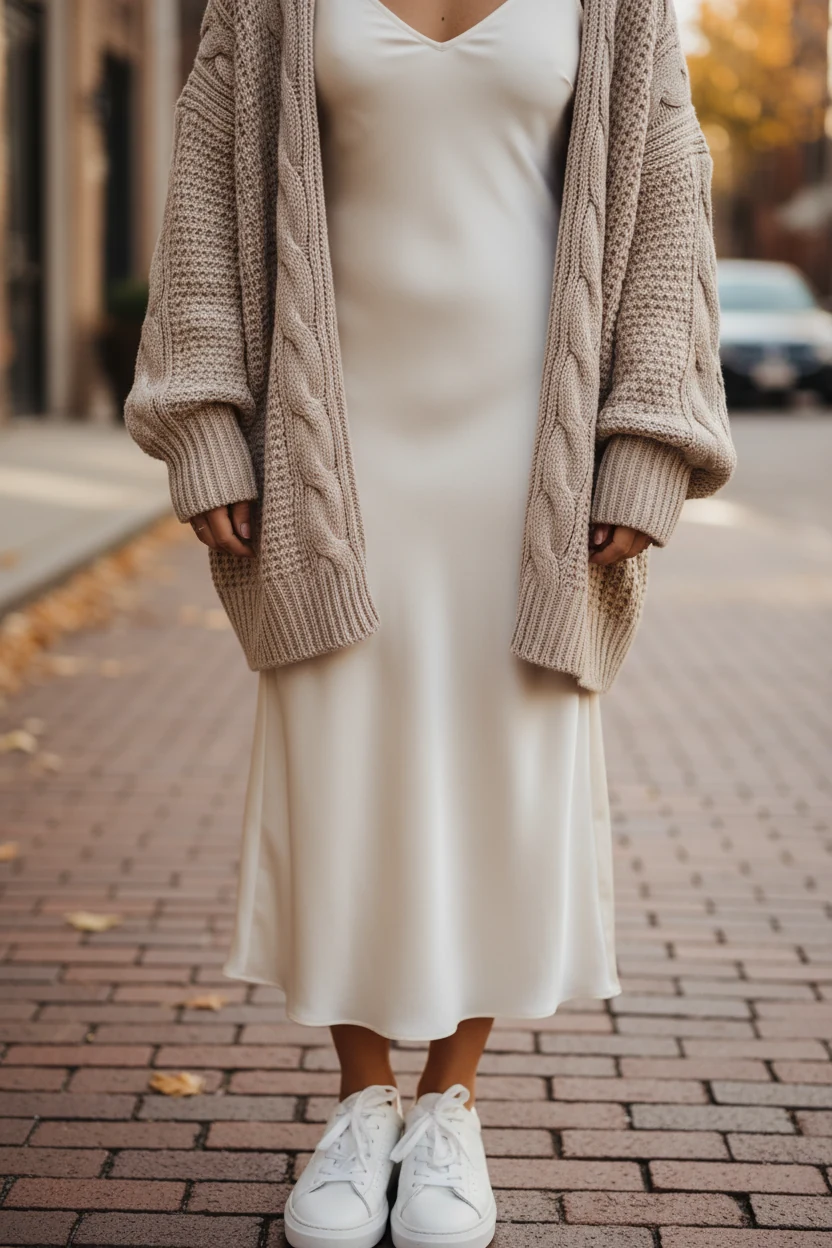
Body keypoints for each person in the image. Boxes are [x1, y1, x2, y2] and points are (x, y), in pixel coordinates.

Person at [126, 0, 736, 1245]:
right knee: (339, 748)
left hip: (532, 446)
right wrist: (205, 422)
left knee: (507, 756)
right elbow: (203, 198)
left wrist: (636, 447)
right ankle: (360, 1108)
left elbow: (671, 218)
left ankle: (449, 1106)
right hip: (327, 436)